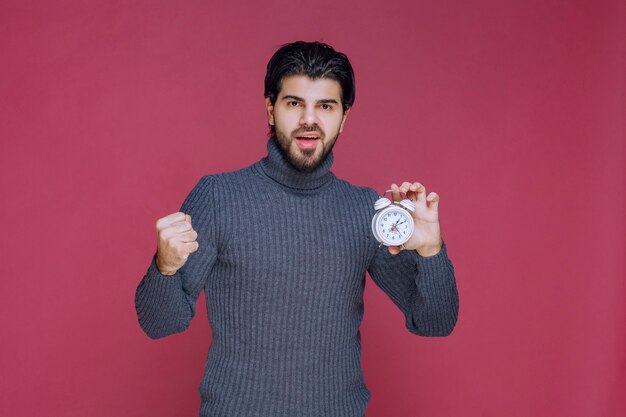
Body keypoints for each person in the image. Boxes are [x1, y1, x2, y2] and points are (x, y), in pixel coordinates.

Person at [135, 41, 459, 417]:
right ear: (270, 110)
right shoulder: (218, 197)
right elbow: (158, 324)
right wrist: (165, 267)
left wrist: (431, 250)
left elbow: (435, 323)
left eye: (325, 106)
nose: (310, 119)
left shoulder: (365, 211)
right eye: (294, 103)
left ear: (344, 117)